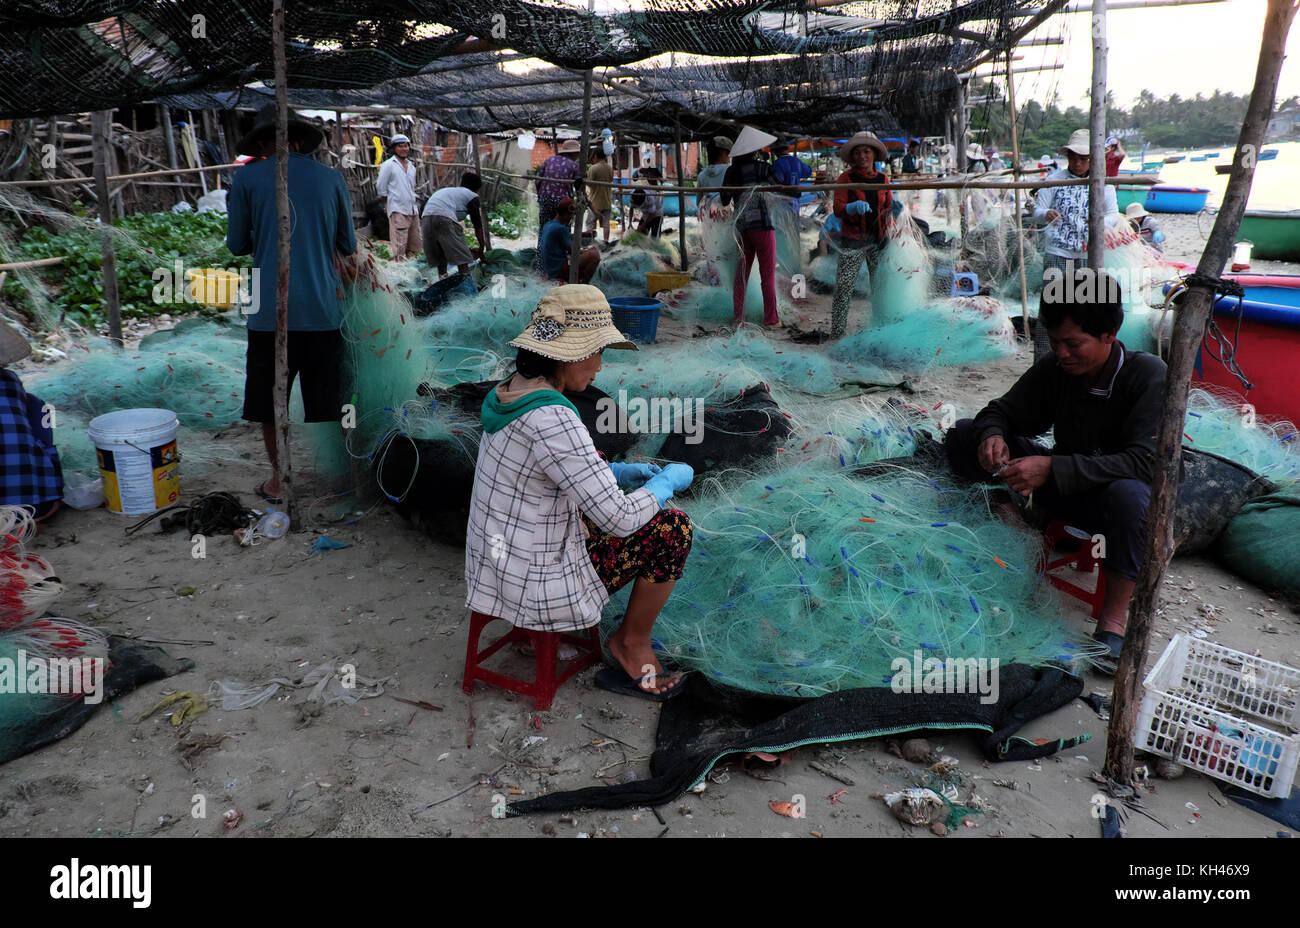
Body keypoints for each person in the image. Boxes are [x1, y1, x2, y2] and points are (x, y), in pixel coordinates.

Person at [465, 285, 697, 699]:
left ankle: (625, 639)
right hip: (532, 579)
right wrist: (664, 484)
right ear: (569, 353)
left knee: (614, 505)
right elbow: (621, 520)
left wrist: (617, 471)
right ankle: (631, 644)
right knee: (672, 529)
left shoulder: (510, 392)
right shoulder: (554, 417)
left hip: (495, 564)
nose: (599, 366)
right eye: (597, 351)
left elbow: (546, 472)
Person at [945, 269, 1166, 675]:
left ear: (1110, 333)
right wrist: (994, 436)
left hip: (1109, 500)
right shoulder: (1057, 370)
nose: (1061, 352)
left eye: (1073, 343)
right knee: (962, 434)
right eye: (1056, 341)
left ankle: (1113, 625)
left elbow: (1147, 462)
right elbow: (1000, 410)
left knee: (1131, 496)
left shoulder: (1147, 375)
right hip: (1059, 487)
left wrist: (1053, 468)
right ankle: (1015, 520)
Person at [227, 104, 357, 505]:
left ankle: (280, 481)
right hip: (322, 311)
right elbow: (347, 244)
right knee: (336, 402)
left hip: (270, 314)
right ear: (299, 141)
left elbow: (236, 244)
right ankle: (344, 479)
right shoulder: (331, 178)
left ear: (264, 142)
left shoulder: (246, 178)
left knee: (271, 404)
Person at [1032, 128, 1121, 358]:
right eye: (1073, 158)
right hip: (1057, 252)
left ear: (1092, 159)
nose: (1078, 163)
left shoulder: (1103, 184)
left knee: (1085, 307)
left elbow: (1114, 215)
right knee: (1051, 307)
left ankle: (1081, 355)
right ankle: (1044, 358)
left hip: (1086, 254)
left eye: (1083, 159)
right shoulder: (1053, 180)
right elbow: (1037, 211)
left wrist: (1099, 221)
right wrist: (1046, 213)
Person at [829, 131, 894, 338]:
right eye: (857, 153)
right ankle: (837, 333)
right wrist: (851, 207)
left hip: (879, 241)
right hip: (853, 241)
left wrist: (893, 220)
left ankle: (881, 327)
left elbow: (889, 206)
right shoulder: (845, 179)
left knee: (880, 287)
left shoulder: (884, 179)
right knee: (844, 288)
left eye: (866, 152)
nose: (862, 157)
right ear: (851, 157)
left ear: (874, 154)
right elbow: (837, 209)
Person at [720, 125, 782, 328]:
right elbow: (779, 188)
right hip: (763, 226)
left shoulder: (732, 171)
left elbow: (724, 199)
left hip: (742, 228)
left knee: (741, 275)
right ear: (755, 150)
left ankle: (738, 317)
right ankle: (771, 319)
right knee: (767, 275)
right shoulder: (764, 168)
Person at [0, 322, 61, 522]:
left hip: (16, 513)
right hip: (35, 508)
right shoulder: (10, 380)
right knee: (38, 407)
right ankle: (50, 488)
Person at [421, 172, 491, 277]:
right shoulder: (471, 195)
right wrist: (481, 246)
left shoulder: (449, 191)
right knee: (462, 259)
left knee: (440, 259)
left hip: (425, 218)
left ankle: (443, 281)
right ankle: (465, 284)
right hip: (444, 217)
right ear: (477, 189)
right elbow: (477, 224)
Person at [375, 133, 421, 261]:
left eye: (406, 146)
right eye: (400, 146)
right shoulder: (388, 165)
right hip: (398, 210)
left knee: (415, 245)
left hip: (412, 210)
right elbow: (381, 187)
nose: (404, 149)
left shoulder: (411, 166)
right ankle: (402, 272)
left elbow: (412, 188)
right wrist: (389, 203)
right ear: (394, 148)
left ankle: (413, 271)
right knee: (400, 247)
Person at [539, 198, 600, 284]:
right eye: (572, 215)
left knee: (588, 252)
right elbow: (574, 252)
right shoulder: (561, 228)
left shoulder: (549, 224)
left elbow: (564, 237)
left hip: (550, 268)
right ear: (566, 214)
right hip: (558, 269)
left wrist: (583, 234)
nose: (571, 218)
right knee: (594, 255)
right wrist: (586, 251)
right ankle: (583, 285)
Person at [534, 139, 582, 230]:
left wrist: (540, 197)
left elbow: (538, 181)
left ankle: (543, 244)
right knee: (563, 228)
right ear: (572, 153)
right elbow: (578, 185)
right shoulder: (574, 165)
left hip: (545, 199)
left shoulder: (548, 161)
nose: (578, 156)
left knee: (544, 228)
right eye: (577, 153)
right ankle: (562, 244)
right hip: (563, 202)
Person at [695, 136, 733, 218]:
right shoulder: (730, 171)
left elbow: (699, 202)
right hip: (728, 220)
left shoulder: (701, 175)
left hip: (711, 223)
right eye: (728, 154)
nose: (729, 157)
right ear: (722, 153)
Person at [771, 140, 812, 214]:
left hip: (783, 200)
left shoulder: (777, 164)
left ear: (775, 151)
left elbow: (776, 181)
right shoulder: (797, 161)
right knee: (794, 221)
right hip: (795, 199)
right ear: (787, 149)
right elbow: (808, 172)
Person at [584, 147, 615, 246]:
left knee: (590, 223)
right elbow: (610, 180)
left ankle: (591, 242)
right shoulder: (610, 168)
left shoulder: (593, 168)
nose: (592, 159)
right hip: (607, 200)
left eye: (593, 157)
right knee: (606, 224)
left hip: (595, 202)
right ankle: (606, 242)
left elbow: (590, 184)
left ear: (596, 156)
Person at [632, 167, 664, 236]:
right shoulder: (634, 195)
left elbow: (652, 215)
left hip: (657, 215)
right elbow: (631, 208)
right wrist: (629, 223)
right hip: (646, 214)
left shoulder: (650, 197)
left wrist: (642, 226)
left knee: (655, 238)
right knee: (640, 235)